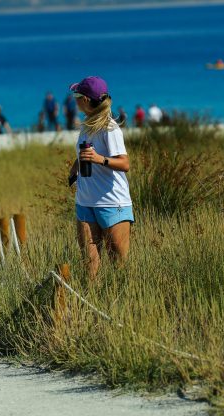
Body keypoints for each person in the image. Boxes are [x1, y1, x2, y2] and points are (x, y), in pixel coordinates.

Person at [67, 76, 132, 281]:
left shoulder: (110, 129)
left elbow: (124, 164)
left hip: (112, 203)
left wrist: (99, 159)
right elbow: (84, 153)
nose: (74, 99)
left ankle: (120, 306)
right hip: (85, 202)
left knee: (118, 265)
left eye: (77, 95)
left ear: (86, 99)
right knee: (89, 265)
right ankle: (90, 306)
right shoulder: (87, 126)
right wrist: (75, 167)